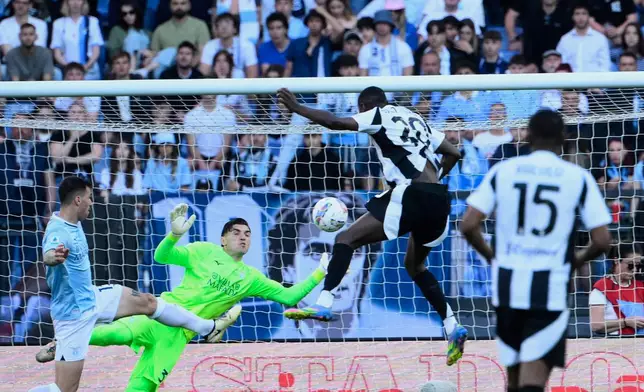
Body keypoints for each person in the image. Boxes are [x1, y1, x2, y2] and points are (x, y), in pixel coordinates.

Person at [35, 208, 331, 390]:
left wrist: (320, 272)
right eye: (236, 232)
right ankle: (61, 343)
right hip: (160, 314)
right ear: (223, 239)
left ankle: (66, 343)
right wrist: (174, 235)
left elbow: (290, 295)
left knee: (142, 386)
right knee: (116, 331)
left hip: (177, 338)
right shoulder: (203, 250)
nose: (243, 237)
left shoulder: (251, 278)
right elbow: (162, 256)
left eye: (248, 234)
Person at [276, 86, 467, 366]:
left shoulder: (377, 115)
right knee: (416, 266)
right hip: (439, 200)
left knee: (345, 239)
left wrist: (297, 109)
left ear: (364, 105)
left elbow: (335, 122)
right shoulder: (416, 118)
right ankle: (452, 325)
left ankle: (324, 304)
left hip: (410, 192)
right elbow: (454, 153)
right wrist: (433, 181)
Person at [28, 178, 247, 392]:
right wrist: (52, 257)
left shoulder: (73, 223)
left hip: (93, 297)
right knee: (65, 389)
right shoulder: (58, 231)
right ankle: (58, 345)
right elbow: (49, 253)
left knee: (149, 302)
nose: (92, 203)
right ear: (77, 200)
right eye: (89, 198)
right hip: (72, 315)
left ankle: (208, 328)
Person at [459, 110, 613, 392]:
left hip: (506, 284)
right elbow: (603, 240)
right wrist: (576, 261)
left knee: (515, 378)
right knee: (533, 381)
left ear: (527, 135)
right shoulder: (576, 177)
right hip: (549, 285)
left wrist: (494, 257)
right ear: (564, 138)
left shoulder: (503, 171)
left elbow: (468, 224)